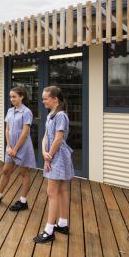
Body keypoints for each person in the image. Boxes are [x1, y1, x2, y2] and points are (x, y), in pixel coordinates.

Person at [0, 86, 36, 211]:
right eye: (10, 97)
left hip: (22, 147)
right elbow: (7, 129)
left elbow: (25, 133)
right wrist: (8, 146)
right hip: (11, 148)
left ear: (22, 97)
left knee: (24, 173)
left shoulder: (26, 112)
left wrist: (16, 149)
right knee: (6, 171)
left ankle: (23, 201)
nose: (11, 99)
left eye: (14, 96)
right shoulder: (10, 111)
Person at [33, 86, 74, 243]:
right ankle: (63, 223)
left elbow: (58, 138)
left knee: (52, 192)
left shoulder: (61, 115)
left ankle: (49, 230)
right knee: (62, 189)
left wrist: (49, 157)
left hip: (58, 156)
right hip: (52, 154)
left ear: (55, 99)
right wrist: (44, 152)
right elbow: (45, 136)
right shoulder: (51, 114)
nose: (43, 101)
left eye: (45, 98)